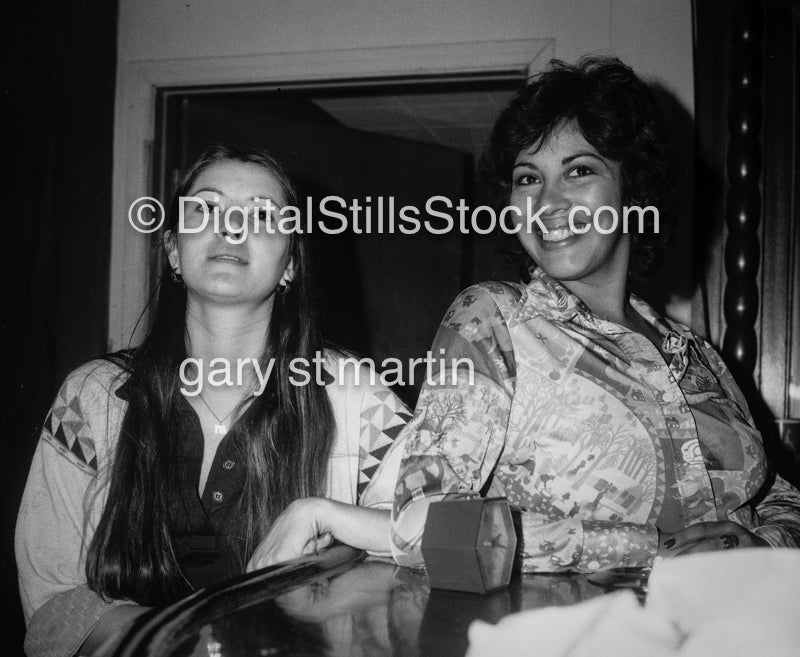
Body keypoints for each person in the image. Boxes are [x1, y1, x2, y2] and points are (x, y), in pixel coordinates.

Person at [391, 57, 800, 574]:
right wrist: (653, 550)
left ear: (634, 193)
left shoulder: (697, 354)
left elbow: (781, 502)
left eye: (579, 170)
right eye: (527, 178)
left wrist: (758, 548)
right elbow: (418, 526)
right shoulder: (492, 321)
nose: (547, 201)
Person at [16, 145, 411, 657]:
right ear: (174, 250)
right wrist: (185, 641)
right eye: (205, 208)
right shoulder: (90, 398)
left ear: (290, 264)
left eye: (264, 215)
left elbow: (447, 532)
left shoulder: (355, 395)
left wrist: (322, 514)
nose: (232, 227)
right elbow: (50, 603)